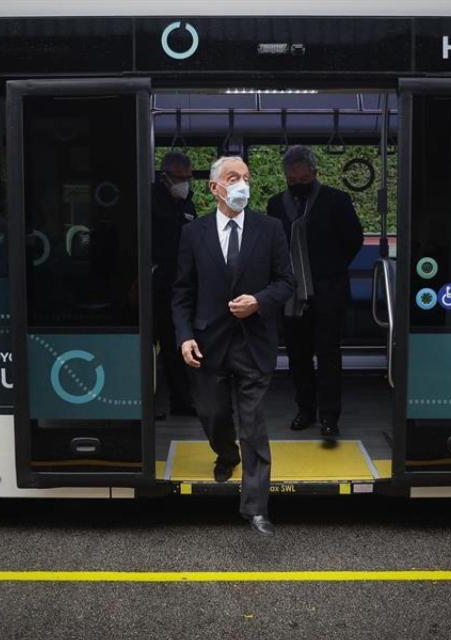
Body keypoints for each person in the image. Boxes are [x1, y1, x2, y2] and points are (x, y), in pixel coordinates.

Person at [172, 156, 295, 536]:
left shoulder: (270, 228)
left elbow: (286, 282)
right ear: (214, 188)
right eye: (232, 177)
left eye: (245, 177)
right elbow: (182, 291)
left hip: (254, 343)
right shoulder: (195, 234)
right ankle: (226, 454)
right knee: (212, 413)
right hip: (209, 343)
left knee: (253, 424)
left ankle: (256, 507)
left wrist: (258, 300)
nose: (242, 184)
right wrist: (184, 335)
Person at [266, 146, 363, 439]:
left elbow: (353, 240)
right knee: (297, 356)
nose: (298, 184)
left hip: (328, 290)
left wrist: (328, 269)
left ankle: (330, 417)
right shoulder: (276, 204)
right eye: (292, 180)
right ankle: (305, 410)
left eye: (303, 178)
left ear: (314, 173)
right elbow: (274, 245)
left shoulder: (337, 200)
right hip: (291, 293)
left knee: (328, 355)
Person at [152, 151, 197, 416]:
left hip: (179, 284)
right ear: (165, 177)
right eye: (180, 178)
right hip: (153, 282)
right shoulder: (148, 202)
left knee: (175, 344)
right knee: (150, 346)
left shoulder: (187, 204)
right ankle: (150, 404)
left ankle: (181, 401)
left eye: (188, 178)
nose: (185, 183)